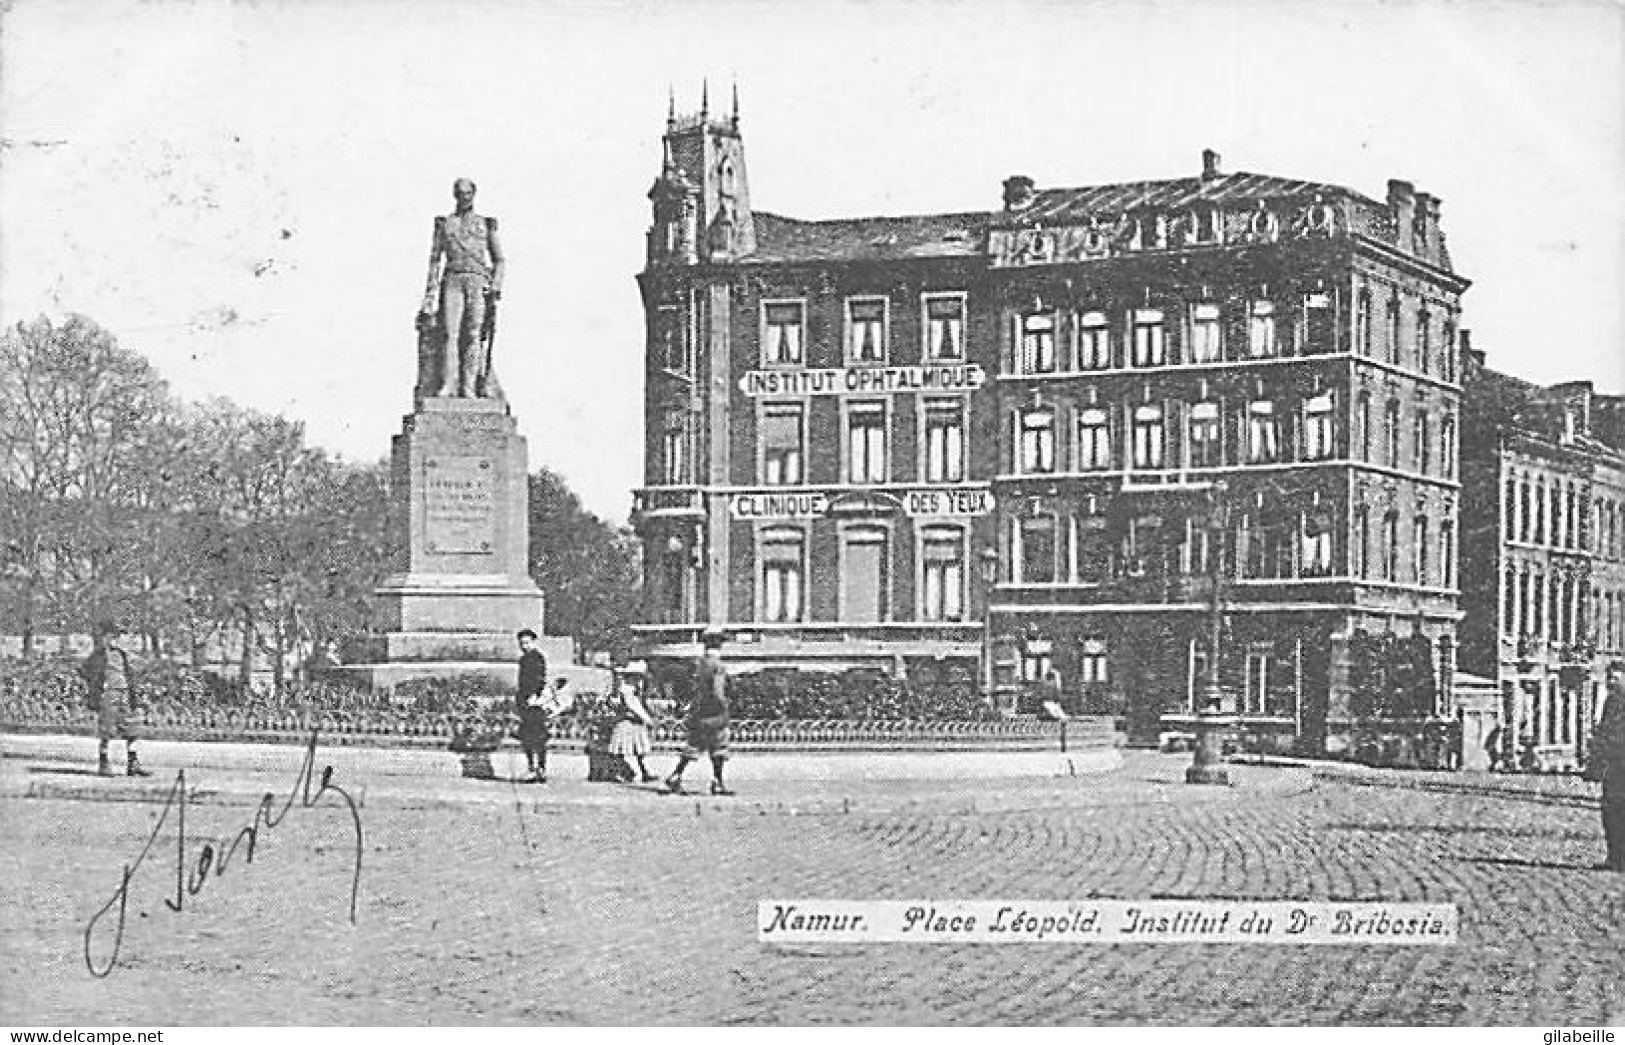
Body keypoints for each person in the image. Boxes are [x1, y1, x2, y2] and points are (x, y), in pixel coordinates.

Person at [420, 177, 505, 398]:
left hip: (477, 281)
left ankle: (468, 387)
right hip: (453, 279)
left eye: (467, 193)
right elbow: (435, 260)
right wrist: (429, 295)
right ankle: (449, 384)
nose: (463, 197)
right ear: (454, 195)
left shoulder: (486, 224)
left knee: (474, 334)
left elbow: (500, 259)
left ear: (473, 194)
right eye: (459, 193)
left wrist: (495, 285)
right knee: (450, 332)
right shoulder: (445, 223)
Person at [77, 620, 151, 778]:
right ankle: (103, 763)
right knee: (107, 730)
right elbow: (84, 671)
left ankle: (133, 763)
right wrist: (96, 686)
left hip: (125, 694)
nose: (112, 640)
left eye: (115, 637)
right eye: (109, 637)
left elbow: (134, 672)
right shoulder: (98, 655)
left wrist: (134, 690)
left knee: (133, 727)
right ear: (103, 638)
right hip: (108, 694)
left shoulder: (123, 654)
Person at [666, 629, 732, 796]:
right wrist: (725, 705)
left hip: (699, 711)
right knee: (718, 746)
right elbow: (718, 691)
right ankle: (717, 782)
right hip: (714, 713)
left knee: (694, 745)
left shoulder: (699, 664)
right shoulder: (718, 666)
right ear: (720, 645)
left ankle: (676, 775)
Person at [1589, 669, 1625, 872]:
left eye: (1616, 677)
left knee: (1613, 811)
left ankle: (1617, 858)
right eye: (1609, 677)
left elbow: (1607, 732)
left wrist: (1596, 761)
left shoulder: (1614, 700)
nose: (1611, 681)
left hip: (1617, 764)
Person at [608, 662, 658, 783]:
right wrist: (647, 719)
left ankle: (644, 771)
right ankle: (618, 772)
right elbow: (632, 706)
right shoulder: (626, 689)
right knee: (621, 749)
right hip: (626, 721)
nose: (639, 679)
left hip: (635, 722)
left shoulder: (634, 689)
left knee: (639, 749)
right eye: (636, 676)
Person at [515, 629, 550, 782]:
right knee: (527, 737)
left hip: (535, 702)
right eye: (522, 643)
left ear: (534, 642)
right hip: (525, 701)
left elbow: (540, 679)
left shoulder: (537, 658)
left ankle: (541, 769)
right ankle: (531, 767)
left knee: (538, 737)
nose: (524, 646)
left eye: (527, 643)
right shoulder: (523, 659)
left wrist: (536, 695)